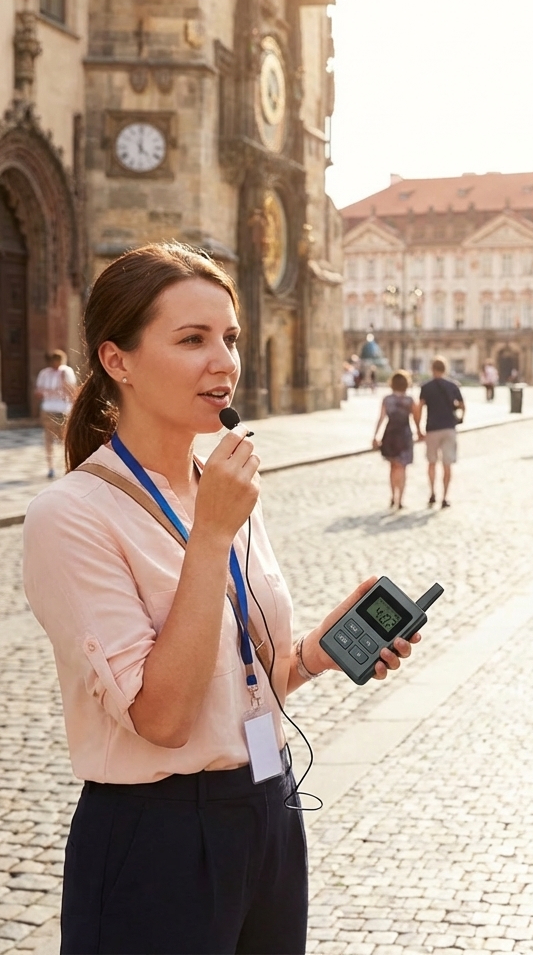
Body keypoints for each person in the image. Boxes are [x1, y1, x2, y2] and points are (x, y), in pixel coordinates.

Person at [22, 243, 418, 955]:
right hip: (158, 836)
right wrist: (208, 540)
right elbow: (165, 717)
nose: (225, 361)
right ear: (119, 361)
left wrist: (316, 652)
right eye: (192, 339)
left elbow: (245, 684)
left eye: (229, 338)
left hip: (267, 804)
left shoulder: (223, 487)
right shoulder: (72, 513)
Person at [415, 356, 464, 508]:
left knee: (431, 463)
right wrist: (460, 419)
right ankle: (445, 497)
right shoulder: (453, 386)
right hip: (449, 428)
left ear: (432, 369)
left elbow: (419, 408)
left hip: (432, 428)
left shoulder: (426, 387)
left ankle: (432, 493)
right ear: (445, 369)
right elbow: (463, 406)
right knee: (447, 464)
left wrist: (418, 429)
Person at [372, 370, 416, 509]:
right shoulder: (409, 400)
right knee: (402, 467)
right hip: (404, 434)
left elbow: (381, 418)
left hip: (390, 433)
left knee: (392, 467)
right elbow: (415, 418)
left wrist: (375, 436)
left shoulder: (387, 399)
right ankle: (400, 499)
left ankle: (392, 496)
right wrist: (420, 432)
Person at [34, 349, 77, 479]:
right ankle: (51, 467)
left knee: (65, 439)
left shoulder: (67, 371)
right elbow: (38, 392)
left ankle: (67, 465)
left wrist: (62, 381)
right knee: (48, 438)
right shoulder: (44, 373)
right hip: (49, 409)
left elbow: (71, 391)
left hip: (64, 410)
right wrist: (51, 392)